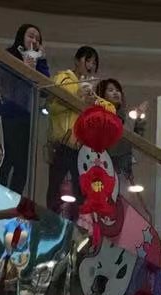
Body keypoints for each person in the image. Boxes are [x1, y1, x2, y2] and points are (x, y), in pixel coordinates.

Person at [46, 46, 108, 214]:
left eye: (94, 63)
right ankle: (52, 220)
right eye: (88, 60)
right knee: (56, 187)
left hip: (82, 146)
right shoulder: (64, 78)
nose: (90, 65)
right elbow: (54, 104)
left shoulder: (92, 89)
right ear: (77, 60)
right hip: (63, 142)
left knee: (79, 190)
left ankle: (77, 222)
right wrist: (80, 96)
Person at [0, 23, 48, 194]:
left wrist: (41, 61)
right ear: (21, 36)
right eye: (30, 36)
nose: (34, 40)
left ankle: (14, 198)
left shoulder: (38, 61)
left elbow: (46, 89)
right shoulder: (8, 55)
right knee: (7, 156)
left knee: (23, 163)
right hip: (8, 113)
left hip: (27, 116)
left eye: (37, 39)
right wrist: (22, 66)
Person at [95, 78, 147, 183]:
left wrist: (139, 120)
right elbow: (116, 140)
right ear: (102, 95)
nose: (115, 93)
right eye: (110, 90)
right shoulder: (99, 115)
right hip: (104, 167)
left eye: (118, 90)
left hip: (123, 171)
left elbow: (137, 142)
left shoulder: (125, 118)